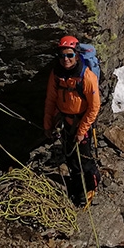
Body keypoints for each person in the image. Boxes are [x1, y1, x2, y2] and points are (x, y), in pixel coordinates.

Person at [44, 35, 101, 207]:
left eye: (69, 55)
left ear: (76, 55)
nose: (65, 59)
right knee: (71, 159)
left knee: (83, 159)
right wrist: (48, 125)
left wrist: (82, 130)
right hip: (65, 122)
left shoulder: (87, 77)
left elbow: (94, 107)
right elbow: (50, 100)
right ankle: (77, 188)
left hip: (80, 122)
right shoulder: (56, 74)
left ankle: (89, 188)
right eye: (62, 56)